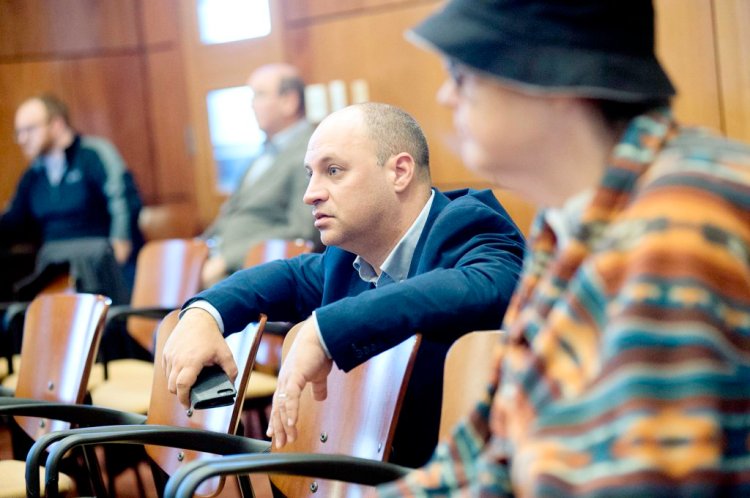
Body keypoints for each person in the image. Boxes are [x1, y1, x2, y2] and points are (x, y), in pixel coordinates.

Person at [372, 0, 750, 496]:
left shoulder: (682, 221)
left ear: (553, 74)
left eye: (462, 75)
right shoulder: (569, 216)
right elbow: (491, 448)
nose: (445, 96)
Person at [163, 102, 526, 467]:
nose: (311, 194)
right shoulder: (345, 258)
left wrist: (325, 330)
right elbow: (284, 278)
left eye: (333, 171)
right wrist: (204, 314)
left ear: (399, 172)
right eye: (310, 174)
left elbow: (486, 284)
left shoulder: (472, 225)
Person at [1, 93, 142, 304]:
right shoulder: (34, 174)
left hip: (100, 265)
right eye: (18, 132)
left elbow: (122, 199)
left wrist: (121, 241)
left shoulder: (94, 153)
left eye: (29, 130)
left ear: (56, 124)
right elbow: (14, 220)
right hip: (53, 270)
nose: (22, 139)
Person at [200, 63, 319, 288]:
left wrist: (229, 258)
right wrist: (198, 249)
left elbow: (302, 231)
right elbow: (232, 214)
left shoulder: (312, 151)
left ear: (289, 101)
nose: (251, 105)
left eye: (260, 95)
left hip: (254, 273)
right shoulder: (261, 154)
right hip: (218, 265)